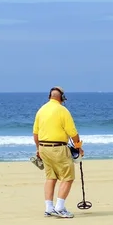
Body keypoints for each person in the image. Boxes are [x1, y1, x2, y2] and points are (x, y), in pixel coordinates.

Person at [32, 86, 84, 218]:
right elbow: (73, 132)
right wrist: (78, 147)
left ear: (50, 96)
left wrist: (38, 149)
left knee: (51, 177)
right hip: (58, 148)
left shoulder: (41, 110)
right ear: (62, 97)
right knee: (68, 177)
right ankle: (60, 208)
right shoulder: (63, 110)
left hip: (43, 147)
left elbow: (35, 133)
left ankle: (49, 208)